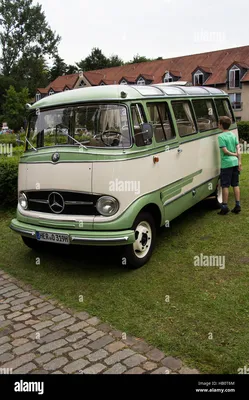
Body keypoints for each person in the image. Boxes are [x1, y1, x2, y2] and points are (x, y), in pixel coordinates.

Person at [217, 116, 242, 215]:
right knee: (235, 184)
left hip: (226, 164)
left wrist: (234, 154)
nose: (218, 124)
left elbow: (225, 151)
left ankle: (224, 207)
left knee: (225, 185)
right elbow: (238, 148)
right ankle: (237, 205)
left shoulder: (221, 136)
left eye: (219, 123)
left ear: (221, 125)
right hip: (235, 163)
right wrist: (238, 160)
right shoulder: (232, 134)